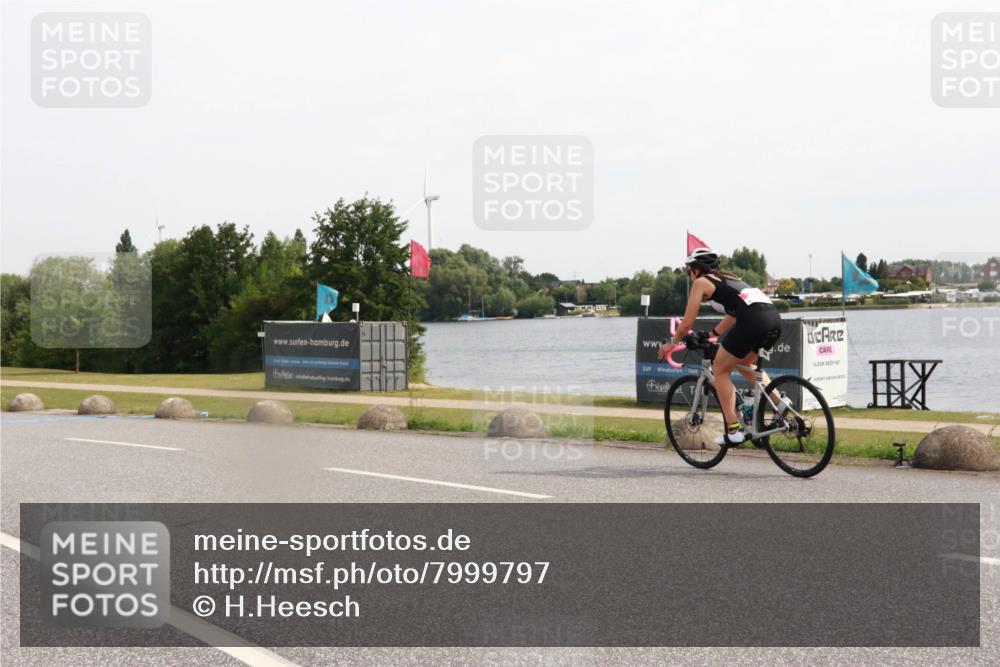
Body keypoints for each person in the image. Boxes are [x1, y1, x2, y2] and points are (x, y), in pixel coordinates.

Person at [658, 248, 789, 445]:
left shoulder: (701, 282)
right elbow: (734, 313)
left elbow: (686, 324)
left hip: (753, 321)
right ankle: (780, 404)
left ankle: (734, 431)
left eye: (689, 271)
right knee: (744, 363)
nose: (689, 275)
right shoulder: (731, 279)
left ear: (696, 269)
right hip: (774, 320)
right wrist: (713, 334)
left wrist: (671, 343)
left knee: (719, 369)